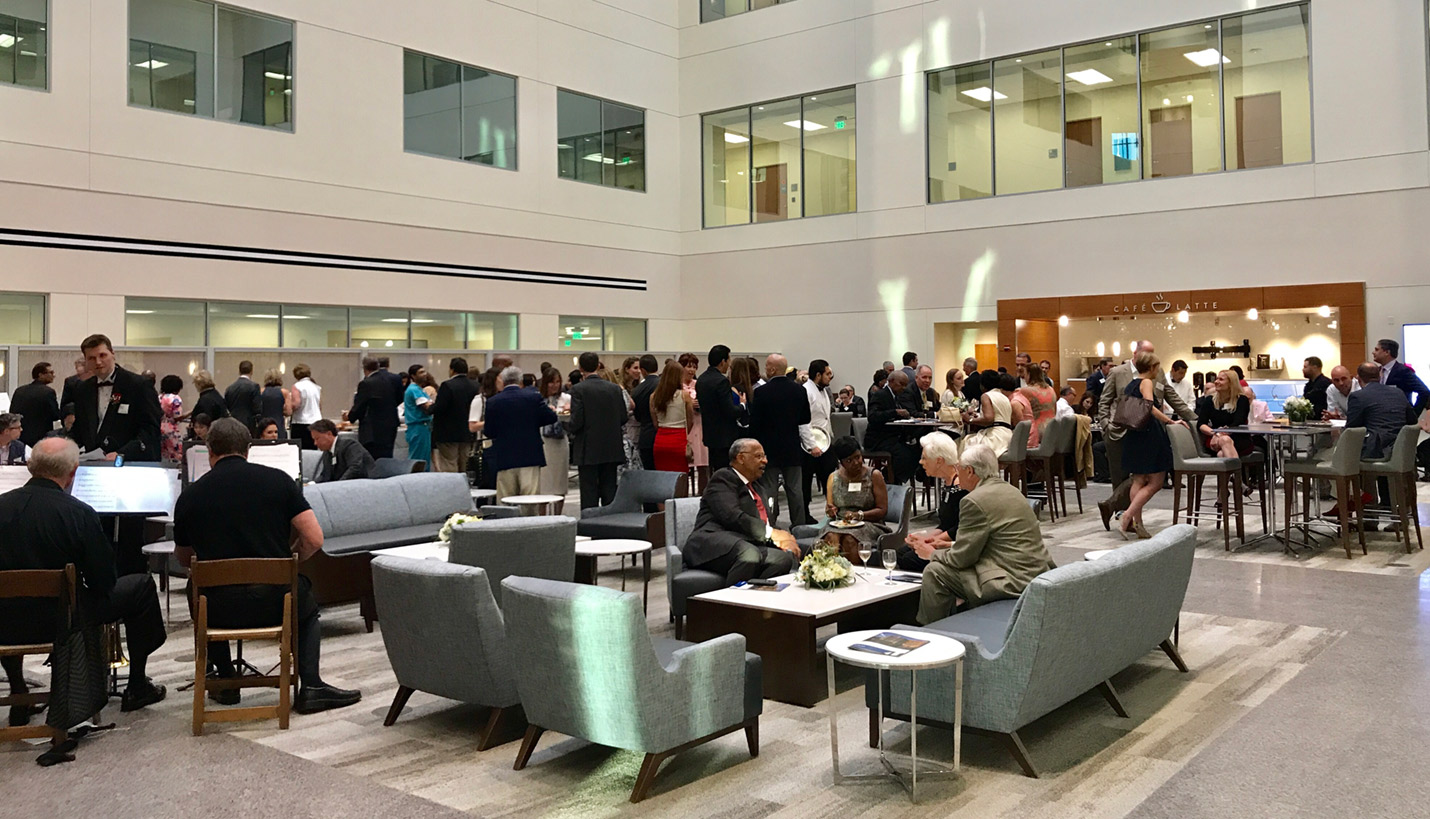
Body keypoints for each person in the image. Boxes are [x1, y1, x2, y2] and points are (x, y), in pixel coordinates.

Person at [174, 419, 360, 714]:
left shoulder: (190, 496)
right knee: (304, 596)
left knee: (195, 587)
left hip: (218, 609)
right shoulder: (278, 481)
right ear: (249, 449)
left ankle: (226, 681)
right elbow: (313, 538)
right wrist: (286, 561)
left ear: (209, 450)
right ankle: (311, 685)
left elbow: (184, 560)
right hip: (275, 602)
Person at [0, 438, 168, 718]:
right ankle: (137, 685)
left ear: (30, 466)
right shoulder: (77, 513)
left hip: (4, 623)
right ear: (73, 472)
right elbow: (103, 580)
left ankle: (19, 692)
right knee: (141, 586)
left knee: (13, 602)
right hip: (64, 621)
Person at [910, 443, 1054, 624]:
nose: (957, 471)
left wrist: (931, 553)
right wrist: (949, 545)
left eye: (959, 468)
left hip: (1010, 580)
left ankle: (932, 631)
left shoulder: (973, 500)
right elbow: (998, 540)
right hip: (1034, 571)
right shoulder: (1012, 490)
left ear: (969, 471)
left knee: (935, 571)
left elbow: (961, 559)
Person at [1095, 342, 1196, 532]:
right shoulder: (1119, 373)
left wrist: (1195, 419)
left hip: (1143, 432)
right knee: (1131, 476)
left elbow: (1172, 397)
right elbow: (1109, 401)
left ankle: (1126, 515)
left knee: (1138, 478)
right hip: (1124, 431)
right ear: (1137, 354)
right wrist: (1106, 426)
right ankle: (1125, 514)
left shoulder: (1153, 376)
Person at [683, 439, 801, 583]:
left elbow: (764, 523)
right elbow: (732, 516)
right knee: (749, 555)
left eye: (764, 456)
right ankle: (729, 604)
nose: (765, 461)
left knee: (782, 559)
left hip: (745, 542)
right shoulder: (723, 478)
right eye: (759, 456)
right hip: (710, 542)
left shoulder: (758, 488)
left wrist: (786, 538)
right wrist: (772, 534)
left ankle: (754, 599)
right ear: (741, 458)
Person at [1118, 353, 1189, 540]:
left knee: (1139, 480)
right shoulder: (1147, 382)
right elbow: (1149, 405)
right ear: (1151, 368)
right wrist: (1169, 421)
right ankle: (1128, 515)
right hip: (1150, 433)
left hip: (1135, 434)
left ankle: (1137, 522)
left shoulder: (1130, 384)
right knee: (1156, 481)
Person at [750, 354, 813, 526]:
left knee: (770, 490)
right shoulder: (799, 390)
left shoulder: (761, 392)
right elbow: (805, 418)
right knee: (795, 490)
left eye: (766, 366)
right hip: (792, 446)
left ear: (772, 369)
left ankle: (770, 524)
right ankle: (799, 525)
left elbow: (755, 423)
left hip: (769, 448)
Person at [484, 366, 558, 500]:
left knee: (506, 499)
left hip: (504, 456)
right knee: (529, 499)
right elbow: (551, 418)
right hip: (530, 455)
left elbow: (489, 432)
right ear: (520, 381)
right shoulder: (533, 398)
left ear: (503, 381)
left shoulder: (493, 402)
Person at [816, 435, 889, 564]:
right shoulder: (833, 477)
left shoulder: (874, 475)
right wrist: (830, 510)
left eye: (858, 457)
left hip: (869, 523)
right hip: (839, 523)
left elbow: (882, 510)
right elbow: (830, 507)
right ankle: (832, 574)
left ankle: (854, 575)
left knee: (850, 538)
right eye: (850, 460)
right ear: (841, 462)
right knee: (830, 537)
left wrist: (859, 515)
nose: (856, 463)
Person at [570, 351, 629, 508]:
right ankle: (608, 527)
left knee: (589, 492)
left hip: (587, 449)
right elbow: (623, 417)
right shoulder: (615, 389)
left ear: (580, 368)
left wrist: (568, 428)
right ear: (598, 365)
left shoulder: (578, 390)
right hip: (611, 448)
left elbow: (577, 421)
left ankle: (590, 526)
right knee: (609, 490)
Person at [901, 431, 965, 571]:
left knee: (909, 559)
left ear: (939, 461)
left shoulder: (962, 487)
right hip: (946, 538)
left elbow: (959, 528)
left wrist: (928, 541)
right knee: (901, 551)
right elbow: (946, 524)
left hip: (958, 545)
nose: (921, 462)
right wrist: (924, 537)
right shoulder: (948, 482)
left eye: (924, 458)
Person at [1348, 361, 1420, 461]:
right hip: (1403, 448)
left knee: (1341, 451)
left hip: (1376, 450)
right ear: (1380, 377)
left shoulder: (1358, 396)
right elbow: (1412, 420)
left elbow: (1352, 428)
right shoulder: (1398, 393)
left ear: (1359, 379)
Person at [696, 345, 744, 472]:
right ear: (723, 361)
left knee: (715, 470)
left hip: (710, 434)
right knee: (726, 472)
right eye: (728, 360)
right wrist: (742, 406)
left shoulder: (701, 379)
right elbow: (729, 410)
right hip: (725, 436)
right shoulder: (721, 381)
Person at [429, 357, 480, 473]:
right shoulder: (475, 386)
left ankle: (452, 488)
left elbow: (440, 407)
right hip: (467, 432)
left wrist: (429, 408)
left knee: (449, 462)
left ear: (452, 370)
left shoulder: (447, 385)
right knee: (464, 463)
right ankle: (464, 486)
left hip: (448, 432)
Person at [348, 356, 401, 461]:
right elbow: (399, 398)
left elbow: (360, 405)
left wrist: (351, 417)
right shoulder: (393, 379)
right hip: (390, 424)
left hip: (372, 428)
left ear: (364, 368)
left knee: (371, 459)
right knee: (387, 457)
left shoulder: (366, 383)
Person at [866, 370, 915, 483]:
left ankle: (894, 477)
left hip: (893, 436)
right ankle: (890, 479)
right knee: (903, 453)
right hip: (879, 438)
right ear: (891, 381)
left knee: (915, 449)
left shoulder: (897, 396)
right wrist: (894, 412)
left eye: (905, 385)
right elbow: (872, 416)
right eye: (901, 384)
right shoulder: (880, 394)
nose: (904, 388)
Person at [801, 359, 837, 510]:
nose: (830, 376)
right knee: (806, 480)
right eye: (827, 374)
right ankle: (805, 513)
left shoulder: (824, 390)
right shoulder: (805, 391)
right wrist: (811, 445)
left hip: (825, 441)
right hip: (810, 444)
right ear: (817, 375)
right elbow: (803, 420)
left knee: (830, 478)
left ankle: (832, 508)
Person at [1196, 371, 1252, 459]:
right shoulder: (1209, 400)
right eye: (1217, 379)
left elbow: (1238, 422)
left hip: (1238, 437)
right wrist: (1215, 433)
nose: (1216, 381)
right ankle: (1237, 472)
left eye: (1221, 379)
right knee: (1224, 440)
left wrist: (1220, 434)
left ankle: (1231, 472)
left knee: (1221, 453)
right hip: (1214, 438)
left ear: (1231, 383)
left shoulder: (1242, 400)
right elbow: (1201, 424)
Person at [651, 361, 694, 474]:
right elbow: (690, 420)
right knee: (680, 476)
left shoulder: (654, 397)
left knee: (662, 476)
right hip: (678, 440)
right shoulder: (684, 395)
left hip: (660, 439)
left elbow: (655, 422)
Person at [536, 368, 571, 508]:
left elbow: (571, 419)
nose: (555, 385)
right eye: (551, 382)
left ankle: (558, 515)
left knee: (560, 482)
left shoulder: (566, 398)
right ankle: (542, 516)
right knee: (543, 483)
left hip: (560, 442)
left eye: (557, 382)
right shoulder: (538, 399)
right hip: (543, 443)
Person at [960, 370, 1014, 457]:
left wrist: (970, 420)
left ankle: (970, 470)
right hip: (1008, 436)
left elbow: (989, 419)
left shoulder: (986, 396)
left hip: (995, 437)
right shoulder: (1004, 397)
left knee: (966, 442)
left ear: (982, 385)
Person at [1373, 338, 1430, 412]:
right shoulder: (1377, 370)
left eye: (1377, 350)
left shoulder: (1403, 371)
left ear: (1386, 352)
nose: (1373, 352)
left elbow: (1424, 391)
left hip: (1399, 416)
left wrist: (1414, 414)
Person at [11, 361, 60, 446]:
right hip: (41, 435)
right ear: (40, 375)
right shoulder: (48, 392)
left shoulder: (19, 390)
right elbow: (55, 415)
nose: (54, 375)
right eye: (51, 372)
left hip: (21, 434)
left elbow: (13, 412)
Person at [679, 353, 709, 491]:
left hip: (701, 426)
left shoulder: (699, 385)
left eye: (694, 367)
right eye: (688, 366)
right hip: (686, 428)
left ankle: (702, 494)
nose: (691, 370)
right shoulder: (678, 387)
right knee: (685, 465)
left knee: (704, 465)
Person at [310, 418, 375, 482]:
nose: (315, 443)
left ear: (329, 434)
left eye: (317, 439)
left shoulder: (349, 445)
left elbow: (355, 468)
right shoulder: (327, 453)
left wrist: (338, 485)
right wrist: (311, 484)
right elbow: (325, 475)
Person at [1016, 363, 1057, 448]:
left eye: (1025, 374)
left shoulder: (1025, 391)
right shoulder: (1051, 389)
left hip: (1036, 431)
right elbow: (1055, 410)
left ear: (1029, 375)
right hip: (1053, 429)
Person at [630, 354, 660, 470]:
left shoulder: (637, 390)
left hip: (645, 435)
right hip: (663, 434)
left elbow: (637, 416)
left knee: (649, 472)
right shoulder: (664, 385)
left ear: (643, 370)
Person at [402, 366, 433, 465]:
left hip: (424, 427)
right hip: (418, 428)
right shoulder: (413, 389)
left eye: (424, 371)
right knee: (418, 460)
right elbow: (427, 406)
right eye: (421, 372)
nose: (425, 374)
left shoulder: (420, 389)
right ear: (413, 376)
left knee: (424, 459)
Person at [224, 360, 263, 431]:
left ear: (239, 371)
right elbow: (257, 408)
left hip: (233, 423)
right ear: (251, 371)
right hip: (249, 423)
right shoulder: (254, 386)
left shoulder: (230, 388)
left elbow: (227, 406)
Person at [290, 365, 322, 449]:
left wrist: (288, 407)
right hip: (316, 421)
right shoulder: (317, 387)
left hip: (301, 422)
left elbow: (296, 404)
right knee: (312, 448)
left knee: (300, 450)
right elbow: (319, 405)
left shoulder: (297, 386)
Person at [157, 374, 185, 462]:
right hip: (170, 429)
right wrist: (191, 412)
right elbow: (177, 416)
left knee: (163, 455)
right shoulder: (175, 399)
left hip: (158, 427)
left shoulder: (159, 397)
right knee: (175, 455)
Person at [260, 370, 291, 439]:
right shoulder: (284, 392)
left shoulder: (261, 391)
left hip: (264, 424)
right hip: (278, 423)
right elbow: (288, 412)